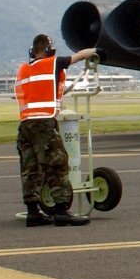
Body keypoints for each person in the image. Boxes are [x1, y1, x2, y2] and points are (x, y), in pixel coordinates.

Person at [14, 33, 97, 226]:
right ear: (48, 51)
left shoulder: (23, 70)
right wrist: (97, 51)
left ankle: (33, 212)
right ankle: (61, 211)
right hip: (44, 123)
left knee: (30, 169)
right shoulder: (53, 63)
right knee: (57, 164)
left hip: (25, 124)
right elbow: (81, 55)